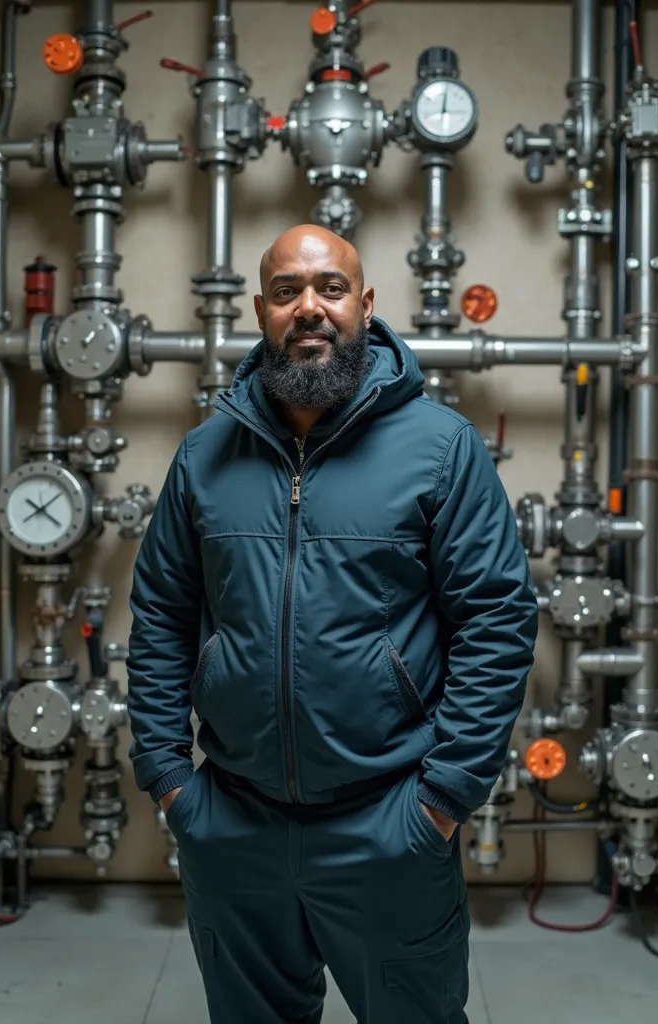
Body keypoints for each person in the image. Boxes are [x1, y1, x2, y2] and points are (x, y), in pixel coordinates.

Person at [126, 224, 539, 1023]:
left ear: (367, 305)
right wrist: (170, 780)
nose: (308, 307)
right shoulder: (205, 456)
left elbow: (496, 621)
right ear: (260, 310)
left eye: (330, 288)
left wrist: (442, 798)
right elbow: (161, 618)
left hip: (390, 824)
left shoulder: (441, 449)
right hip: (231, 825)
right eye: (286, 291)